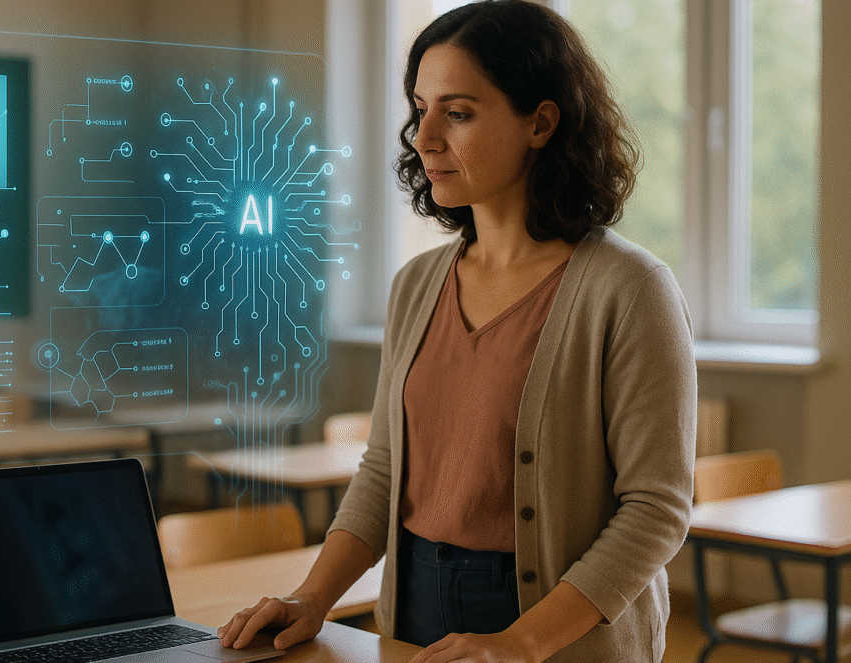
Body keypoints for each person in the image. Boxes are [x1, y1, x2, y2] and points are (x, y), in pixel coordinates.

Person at [216, 1, 696, 661]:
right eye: (420, 108)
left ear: (541, 122)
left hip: (555, 627)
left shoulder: (630, 289)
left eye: (458, 112)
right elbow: (384, 469)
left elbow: (656, 510)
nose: (423, 136)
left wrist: (520, 642)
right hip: (413, 600)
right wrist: (311, 596)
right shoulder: (416, 284)